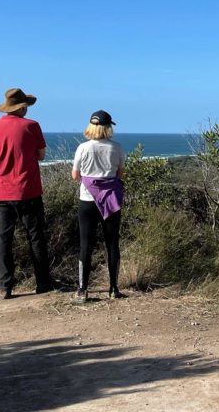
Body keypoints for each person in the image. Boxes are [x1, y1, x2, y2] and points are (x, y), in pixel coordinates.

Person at [0, 87, 55, 299]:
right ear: (22, 107)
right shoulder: (32, 126)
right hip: (27, 190)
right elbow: (41, 155)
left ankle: (5, 287)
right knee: (35, 237)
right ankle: (43, 283)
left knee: (4, 239)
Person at [71, 109, 126, 302]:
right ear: (108, 127)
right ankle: (113, 288)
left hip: (87, 200)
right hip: (111, 200)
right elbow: (120, 174)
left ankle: (82, 289)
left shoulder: (83, 148)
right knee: (112, 243)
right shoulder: (116, 148)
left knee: (86, 244)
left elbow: (75, 175)